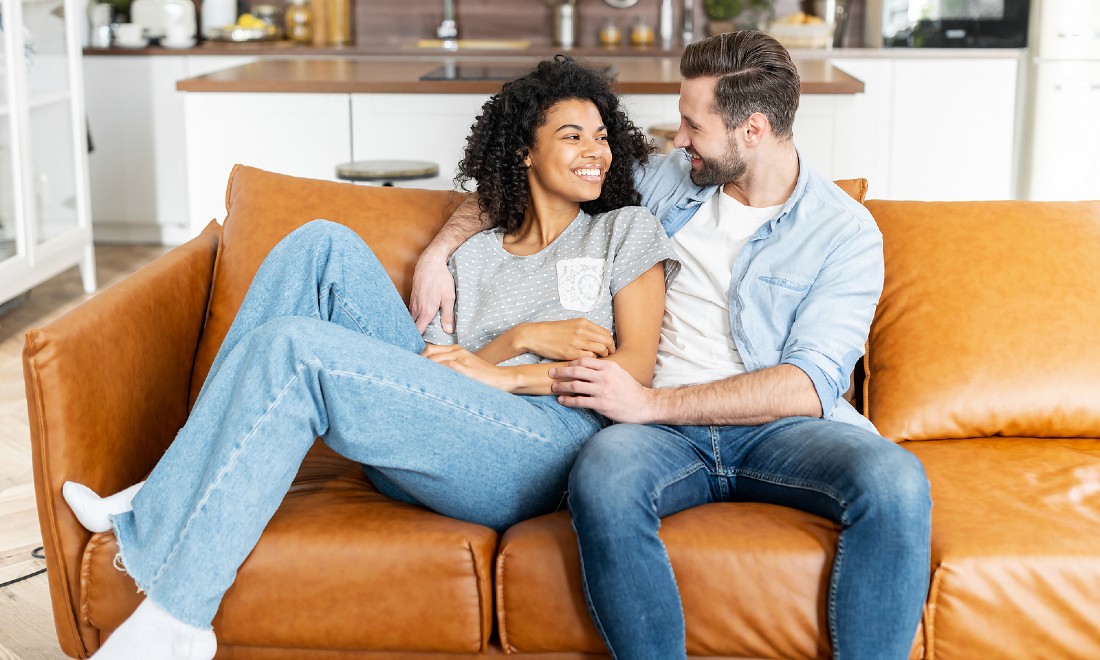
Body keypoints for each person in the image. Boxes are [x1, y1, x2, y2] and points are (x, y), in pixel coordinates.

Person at [62, 55, 678, 660]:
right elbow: (450, 366)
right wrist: (519, 341)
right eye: (572, 137)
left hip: (543, 449)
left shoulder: (623, 230)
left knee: (296, 350)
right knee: (319, 243)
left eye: (601, 137)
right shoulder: (477, 253)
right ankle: (175, 479)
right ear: (524, 150)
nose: (595, 150)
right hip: (445, 431)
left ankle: (178, 619)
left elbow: (634, 372)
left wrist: (514, 375)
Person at [410, 31, 932, 660]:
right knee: (602, 475)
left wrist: (651, 404)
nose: (677, 138)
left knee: (897, 480)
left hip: (773, 427)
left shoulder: (844, 233)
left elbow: (809, 384)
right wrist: (438, 253)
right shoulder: (667, 182)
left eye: (691, 123)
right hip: (657, 438)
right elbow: (528, 175)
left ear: (754, 129)